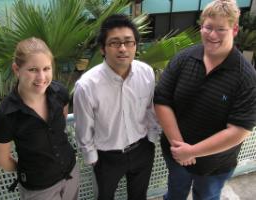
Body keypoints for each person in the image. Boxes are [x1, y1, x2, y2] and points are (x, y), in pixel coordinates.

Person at [154, 0, 256, 200]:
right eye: (208, 27)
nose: (212, 34)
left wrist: (192, 151)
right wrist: (180, 148)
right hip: (176, 155)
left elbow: (239, 130)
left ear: (234, 30)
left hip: (215, 165)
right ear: (201, 27)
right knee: (175, 193)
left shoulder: (246, 76)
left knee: (207, 197)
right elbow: (161, 100)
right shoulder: (183, 59)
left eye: (221, 29)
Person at [73, 14, 158, 200]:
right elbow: (83, 127)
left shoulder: (146, 73)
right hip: (106, 157)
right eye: (114, 43)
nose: (123, 48)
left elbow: (150, 110)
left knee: (139, 196)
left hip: (142, 148)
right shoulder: (87, 85)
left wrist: (151, 139)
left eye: (129, 42)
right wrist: (92, 159)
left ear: (136, 45)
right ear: (103, 48)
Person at [0, 37, 79, 200]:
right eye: (33, 70)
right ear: (17, 69)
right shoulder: (6, 115)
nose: (41, 77)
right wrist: (28, 170)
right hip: (39, 188)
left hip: (71, 172)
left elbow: (62, 121)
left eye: (46, 68)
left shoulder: (59, 92)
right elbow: (1, 159)